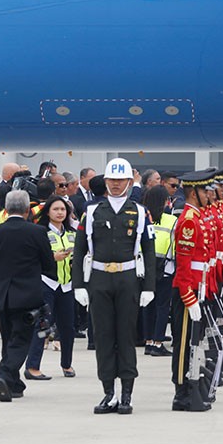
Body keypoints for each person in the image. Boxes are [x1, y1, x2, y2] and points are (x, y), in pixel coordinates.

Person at [72, 158, 157, 415]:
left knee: (126, 336)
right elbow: (79, 251)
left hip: (128, 279)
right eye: (112, 180)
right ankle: (108, 392)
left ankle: (127, 393)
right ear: (105, 182)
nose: (116, 184)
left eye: (121, 180)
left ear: (129, 183)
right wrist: (79, 285)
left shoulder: (140, 212)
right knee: (103, 336)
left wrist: (149, 287)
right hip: (99, 279)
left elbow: (150, 253)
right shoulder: (92, 211)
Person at [0, 190, 57, 402]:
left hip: (1, 295)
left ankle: (13, 384)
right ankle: (4, 374)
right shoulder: (37, 232)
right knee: (21, 340)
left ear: (5, 209)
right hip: (27, 294)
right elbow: (48, 264)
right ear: (26, 210)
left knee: (8, 340)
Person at [169, 170, 215, 412]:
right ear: (194, 193)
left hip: (199, 285)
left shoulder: (196, 217)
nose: (209, 194)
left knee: (193, 341)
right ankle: (181, 391)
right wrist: (189, 296)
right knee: (183, 343)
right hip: (189, 289)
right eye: (205, 191)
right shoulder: (188, 220)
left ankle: (191, 385)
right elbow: (183, 264)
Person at [25, 195, 77, 380]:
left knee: (68, 327)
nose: (60, 213)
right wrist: (52, 258)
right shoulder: (40, 233)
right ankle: (32, 366)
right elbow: (31, 259)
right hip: (47, 283)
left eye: (63, 209)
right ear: (48, 212)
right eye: (56, 209)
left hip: (67, 285)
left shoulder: (73, 233)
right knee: (42, 325)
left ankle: (67, 363)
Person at [142, 185, 176, 357]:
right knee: (162, 306)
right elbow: (175, 246)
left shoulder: (143, 218)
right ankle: (158, 342)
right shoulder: (171, 220)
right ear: (164, 202)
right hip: (165, 268)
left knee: (148, 306)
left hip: (145, 267)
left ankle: (148, 341)